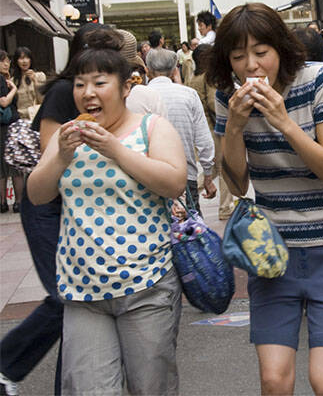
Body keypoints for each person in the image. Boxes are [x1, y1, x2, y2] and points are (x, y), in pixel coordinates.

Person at [207, 2, 323, 396]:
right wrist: (236, 128)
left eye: (261, 52)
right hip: (272, 252)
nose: (251, 66)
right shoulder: (228, 97)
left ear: (280, 48)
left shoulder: (318, 79)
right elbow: (238, 183)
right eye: (238, 56)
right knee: (274, 381)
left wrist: (283, 121)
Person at [26, 29, 187, 394]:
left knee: (152, 388)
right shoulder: (69, 134)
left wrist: (116, 150)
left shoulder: (151, 128)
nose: (88, 93)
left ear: (125, 87)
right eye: (80, 84)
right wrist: (62, 155)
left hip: (146, 286)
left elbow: (174, 182)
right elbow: (37, 194)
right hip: (83, 292)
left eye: (100, 82)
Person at [0, 24, 107, 396]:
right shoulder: (65, 91)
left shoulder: (100, 93)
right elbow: (51, 152)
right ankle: (6, 365)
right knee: (68, 297)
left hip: (72, 206)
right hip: (45, 204)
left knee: (77, 301)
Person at [146, 48, 216, 214]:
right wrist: (208, 175)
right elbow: (204, 140)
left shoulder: (138, 95)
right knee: (190, 230)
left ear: (148, 70)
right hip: (186, 175)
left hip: (149, 178)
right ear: (173, 70)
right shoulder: (188, 95)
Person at [187, 44, 235, 221]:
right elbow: (214, 104)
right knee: (225, 168)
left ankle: (187, 193)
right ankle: (225, 207)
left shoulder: (194, 78)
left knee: (213, 169)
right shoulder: (210, 78)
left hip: (200, 129)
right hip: (214, 129)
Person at [0, 50, 23, 213]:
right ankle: (18, 202)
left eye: (7, 61)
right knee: (15, 165)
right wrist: (14, 88)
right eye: (3, 61)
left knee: (1, 168)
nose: (6, 64)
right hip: (8, 126)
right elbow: (4, 102)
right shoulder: (2, 80)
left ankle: (1, 203)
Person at [11, 46, 45, 120]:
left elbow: (43, 100)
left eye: (27, 58)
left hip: (37, 117)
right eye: (21, 58)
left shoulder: (39, 76)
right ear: (16, 61)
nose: (25, 61)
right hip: (22, 119)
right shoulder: (13, 81)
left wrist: (35, 81)